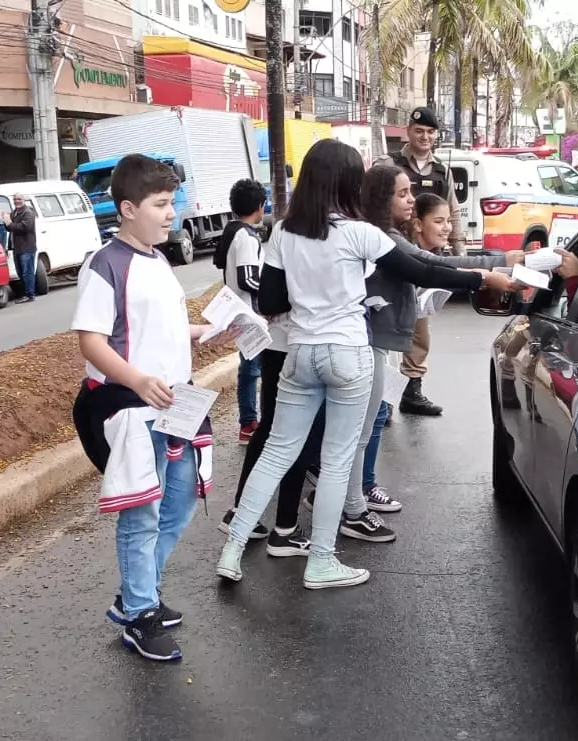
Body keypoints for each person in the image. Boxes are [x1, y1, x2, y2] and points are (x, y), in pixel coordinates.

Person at [215, 139, 511, 590]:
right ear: (349, 183)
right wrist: (483, 277)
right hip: (350, 354)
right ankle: (321, 563)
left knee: (277, 451)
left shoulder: (281, 232)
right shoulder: (359, 233)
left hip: (299, 353)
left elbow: (272, 300)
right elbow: (423, 272)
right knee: (336, 460)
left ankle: (233, 550)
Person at [71, 154, 228, 663]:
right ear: (127, 208)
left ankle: (138, 594)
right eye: (161, 204)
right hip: (129, 407)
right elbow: (91, 341)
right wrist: (138, 379)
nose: (171, 213)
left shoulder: (159, 261)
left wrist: (199, 333)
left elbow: (149, 329)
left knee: (180, 501)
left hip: (173, 404)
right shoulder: (105, 264)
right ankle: (140, 610)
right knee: (143, 512)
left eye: (172, 202)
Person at [344, 175, 520, 527]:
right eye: (403, 194)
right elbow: (427, 269)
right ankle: (352, 506)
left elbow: (429, 266)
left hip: (374, 339)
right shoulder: (379, 238)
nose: (411, 200)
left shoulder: (376, 234)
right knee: (358, 431)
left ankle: (354, 493)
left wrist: (491, 265)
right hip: (368, 340)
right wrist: (488, 272)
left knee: (366, 423)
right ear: (381, 199)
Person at [376, 107, 462, 418]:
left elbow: (452, 213)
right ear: (408, 132)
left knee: (419, 330)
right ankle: (381, 402)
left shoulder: (442, 171)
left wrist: (457, 252)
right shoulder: (389, 165)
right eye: (418, 131)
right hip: (392, 256)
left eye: (430, 132)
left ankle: (411, 391)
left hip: (424, 262)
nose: (424, 137)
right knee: (386, 328)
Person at [216, 178, 268, 443]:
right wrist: (272, 293)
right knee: (254, 369)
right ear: (260, 206)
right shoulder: (246, 236)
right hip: (250, 313)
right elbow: (248, 277)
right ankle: (250, 423)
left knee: (249, 368)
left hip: (238, 309)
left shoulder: (232, 231)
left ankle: (249, 422)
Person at [9, 193, 38, 302]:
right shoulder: (14, 213)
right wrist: (5, 222)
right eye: (15, 199)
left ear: (24, 200)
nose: (17, 201)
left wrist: (10, 224)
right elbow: (10, 228)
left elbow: (26, 227)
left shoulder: (28, 213)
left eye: (19, 199)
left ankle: (30, 294)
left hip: (27, 247)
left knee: (27, 272)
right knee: (20, 272)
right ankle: (27, 293)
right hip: (17, 248)